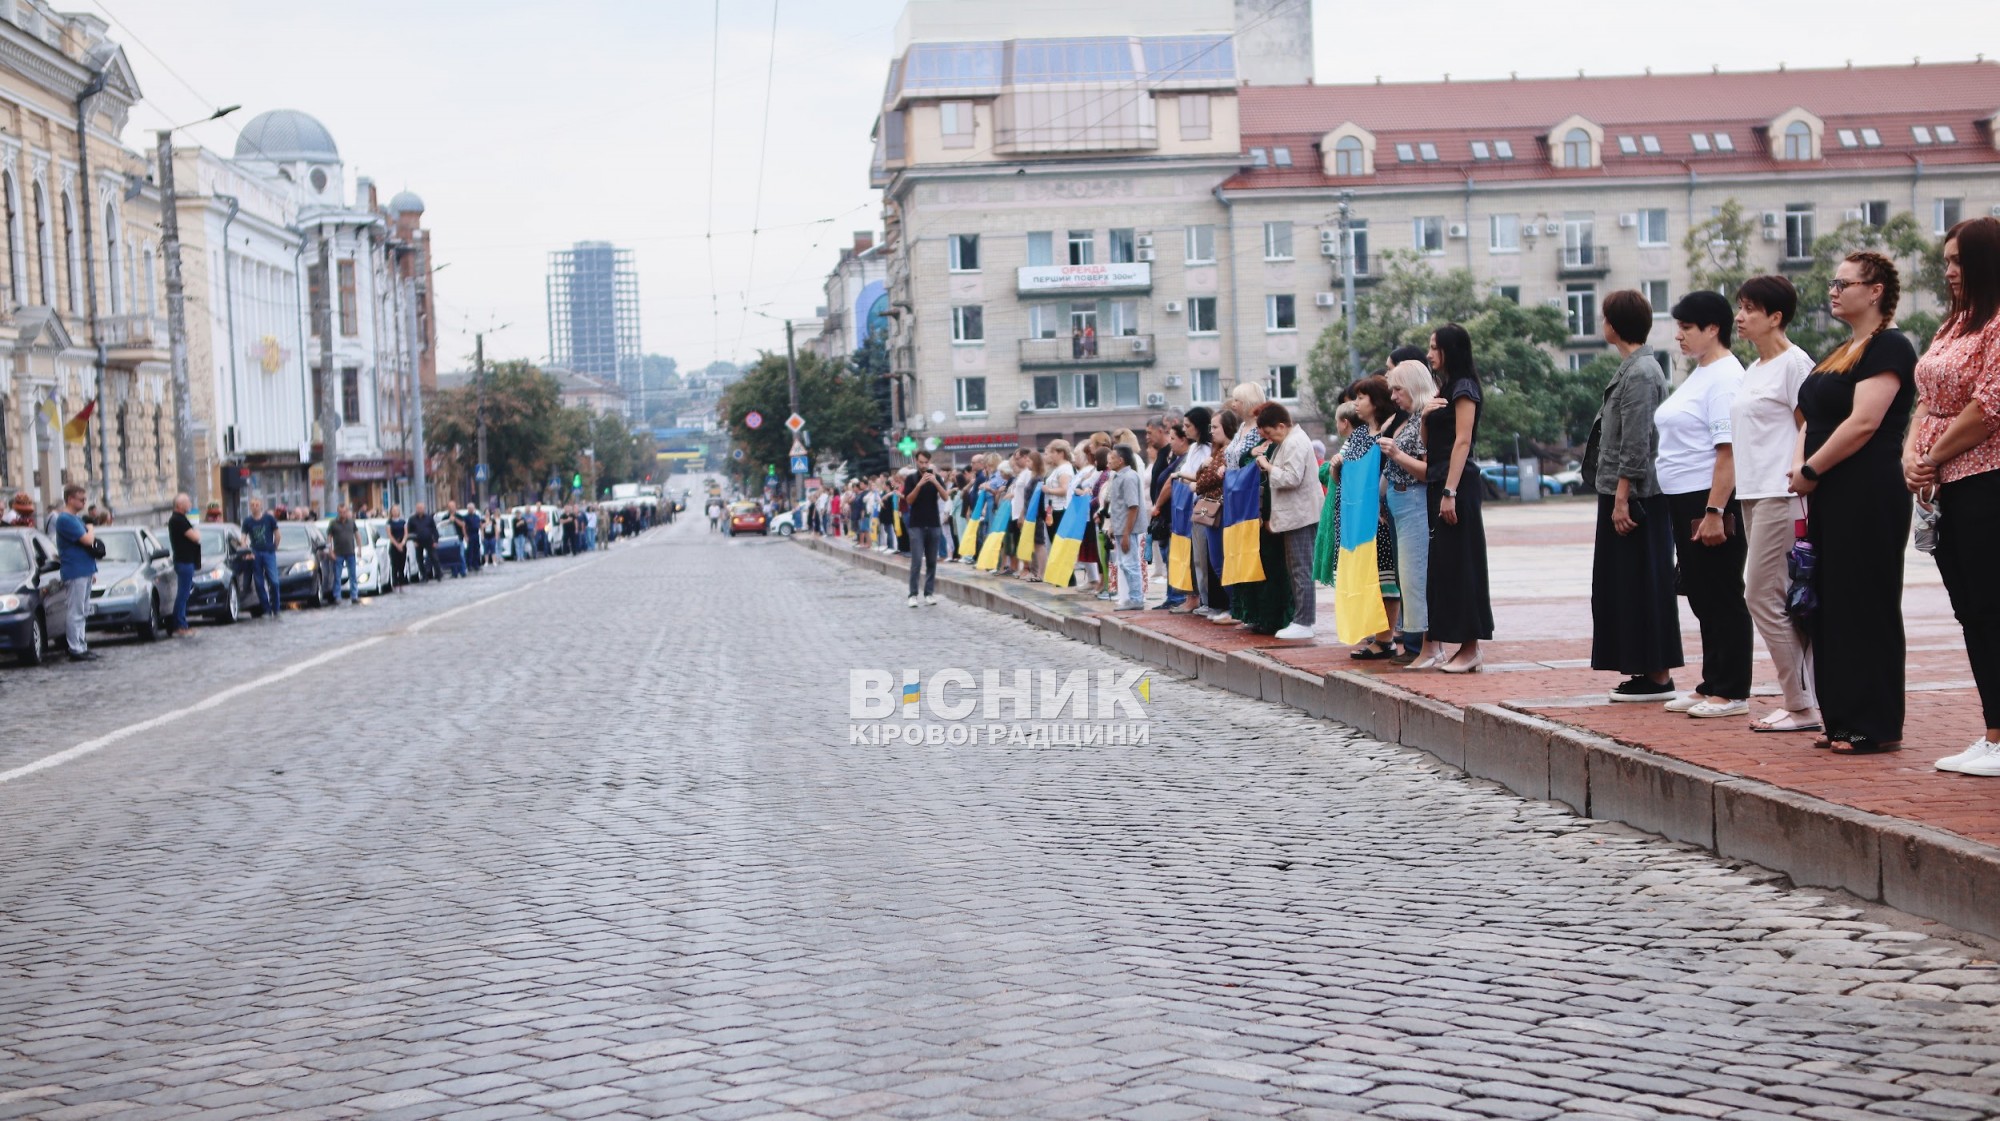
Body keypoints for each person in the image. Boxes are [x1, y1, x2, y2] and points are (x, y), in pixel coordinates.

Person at [1790, 250, 1919, 755]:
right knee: (1830, 603)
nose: (1833, 290)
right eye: (1833, 282)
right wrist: (1801, 466)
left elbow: (1864, 423)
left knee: (1866, 601)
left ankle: (1874, 723)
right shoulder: (1842, 351)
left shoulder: (1890, 347)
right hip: (1827, 490)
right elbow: (1809, 419)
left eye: (1844, 283)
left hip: (1867, 490)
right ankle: (1840, 717)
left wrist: (1811, 470)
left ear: (1875, 291)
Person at [1908, 217, 2000, 775]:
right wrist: (1911, 455)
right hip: (1944, 487)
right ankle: (1992, 732)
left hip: (1986, 480)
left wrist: (1932, 456)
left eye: (1958, 260)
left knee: (1991, 608)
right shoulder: (1955, 324)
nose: (1949, 271)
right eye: (1946, 261)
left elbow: (1989, 407)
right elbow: (1925, 397)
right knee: (1971, 612)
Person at [1654, 290, 1752, 717]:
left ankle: (1732, 690)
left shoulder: (1726, 377)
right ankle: (1712, 681)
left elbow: (1727, 451)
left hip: (1708, 498)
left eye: (1686, 327)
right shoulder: (1702, 372)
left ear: (1713, 328)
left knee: (1721, 591)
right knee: (1701, 593)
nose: (1678, 335)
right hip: (1684, 498)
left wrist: (1714, 511)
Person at [1733, 275, 1822, 733]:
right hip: (1752, 492)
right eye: (1740, 306)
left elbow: (1811, 425)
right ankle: (1808, 697)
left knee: (1760, 594)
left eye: (1750, 308)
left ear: (1775, 317)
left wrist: (1800, 472)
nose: (1740, 316)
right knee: (1778, 596)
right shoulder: (1754, 368)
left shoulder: (1795, 364)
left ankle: (1801, 704)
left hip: (1780, 492)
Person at [1589, 289, 1682, 702]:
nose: (1602, 323)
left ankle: (1658, 675)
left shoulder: (1642, 372)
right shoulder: (1633, 367)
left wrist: (1622, 497)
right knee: (1626, 585)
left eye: (1605, 316)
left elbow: (1637, 440)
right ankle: (1646, 669)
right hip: (1621, 491)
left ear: (1615, 324)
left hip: (1636, 496)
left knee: (1643, 582)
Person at [1422, 324, 1493, 672]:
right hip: (1438, 482)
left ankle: (1471, 647)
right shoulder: (1444, 388)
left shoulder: (1465, 388)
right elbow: (1428, 443)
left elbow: (1462, 441)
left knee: (1464, 564)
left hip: (1457, 485)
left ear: (1450, 350)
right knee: (1446, 567)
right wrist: (1424, 416)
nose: (1429, 354)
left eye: (1435, 347)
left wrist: (1450, 491)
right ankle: (1461, 647)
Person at [1220, 381, 1292, 634]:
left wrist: (1248, 457)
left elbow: (1257, 459)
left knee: (1266, 560)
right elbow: (1240, 458)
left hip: (1258, 499)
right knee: (1246, 556)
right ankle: (1250, 612)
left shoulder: (1262, 431)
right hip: (1238, 500)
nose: (1233, 405)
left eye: (1237, 400)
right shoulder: (1242, 427)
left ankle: (1270, 615)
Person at [1337, 378, 1402, 657]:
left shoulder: (1389, 431)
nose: (1356, 403)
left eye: (1361, 398)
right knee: (1365, 575)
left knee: (1385, 580)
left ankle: (1386, 639)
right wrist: (1336, 467)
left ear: (1376, 401)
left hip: (1379, 519)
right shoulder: (1360, 434)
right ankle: (1374, 633)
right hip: (1356, 519)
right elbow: (1343, 472)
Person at [1378, 360, 1437, 665]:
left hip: (1412, 499)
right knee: (1408, 576)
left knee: (1415, 576)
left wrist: (1396, 453)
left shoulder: (1426, 416)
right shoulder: (1413, 416)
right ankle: (1417, 644)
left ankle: (1425, 647)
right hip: (1399, 501)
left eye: (1398, 389)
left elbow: (1428, 471)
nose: (1393, 396)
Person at [1254, 402, 1321, 640]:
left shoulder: (1294, 442)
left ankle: (1304, 621)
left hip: (1301, 515)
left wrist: (1267, 465)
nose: (1269, 439)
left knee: (1301, 569)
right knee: (1297, 569)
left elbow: (1291, 478)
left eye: (1270, 433)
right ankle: (1301, 619)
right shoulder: (1290, 440)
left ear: (1281, 426)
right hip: (1296, 514)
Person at [51, 484, 99, 660]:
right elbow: (87, 540)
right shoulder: (65, 519)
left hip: (84, 569)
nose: (84, 502)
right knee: (76, 611)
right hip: (75, 570)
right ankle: (75, 648)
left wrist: (92, 571)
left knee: (83, 611)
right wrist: (91, 528)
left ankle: (81, 644)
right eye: (81, 499)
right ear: (70, 499)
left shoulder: (76, 519)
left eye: (85, 499)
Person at [1104, 444, 1146, 610]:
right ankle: (1132, 598)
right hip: (1122, 528)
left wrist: (1127, 534)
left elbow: (1133, 507)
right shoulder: (1119, 476)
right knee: (1124, 564)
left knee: (1130, 564)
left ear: (1120, 460)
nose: (1108, 461)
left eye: (1112, 458)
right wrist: (1114, 526)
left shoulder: (1128, 477)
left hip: (1128, 529)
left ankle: (1136, 599)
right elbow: (1119, 506)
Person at [903, 450, 945, 607]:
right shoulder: (911, 479)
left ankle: (929, 593)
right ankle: (913, 594)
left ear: (929, 462)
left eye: (926, 462)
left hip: (933, 523)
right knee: (916, 561)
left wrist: (935, 482)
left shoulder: (936, 477)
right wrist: (919, 485)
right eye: (921, 462)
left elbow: (946, 496)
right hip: (917, 525)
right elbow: (909, 500)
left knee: (932, 561)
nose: (923, 465)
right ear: (916, 462)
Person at [164, 492, 200, 637]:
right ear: (180, 505)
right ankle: (179, 625)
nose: (190, 504)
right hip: (184, 561)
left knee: (184, 594)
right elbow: (195, 537)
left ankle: (181, 623)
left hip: (187, 561)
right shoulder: (177, 520)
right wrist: (196, 531)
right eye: (187, 502)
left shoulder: (181, 519)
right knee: (183, 595)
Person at [242, 496, 282, 619]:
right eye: (252, 505)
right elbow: (243, 539)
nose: (255, 507)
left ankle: (276, 608)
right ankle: (266, 609)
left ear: (261, 505)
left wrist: (274, 546)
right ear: (250, 507)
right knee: (259, 583)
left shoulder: (269, 519)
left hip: (269, 552)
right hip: (255, 554)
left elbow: (277, 534)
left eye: (257, 504)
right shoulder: (247, 521)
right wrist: (246, 551)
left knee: (274, 582)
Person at [329, 503, 360, 604]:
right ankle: (337, 596)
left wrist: (359, 549)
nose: (342, 514)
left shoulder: (351, 522)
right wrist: (330, 551)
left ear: (347, 512)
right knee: (337, 576)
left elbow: (357, 535)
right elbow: (329, 538)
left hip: (350, 552)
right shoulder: (333, 523)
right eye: (341, 512)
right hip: (338, 554)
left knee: (353, 575)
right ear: (338, 512)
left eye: (344, 512)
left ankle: (354, 595)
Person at [409, 503, 440, 581]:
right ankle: (424, 576)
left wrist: (436, 540)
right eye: (418, 508)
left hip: (429, 540)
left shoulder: (429, 518)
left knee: (434, 558)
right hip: (418, 541)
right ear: (416, 509)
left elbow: (434, 530)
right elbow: (409, 531)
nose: (420, 510)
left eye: (421, 508)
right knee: (419, 559)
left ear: (424, 509)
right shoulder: (412, 519)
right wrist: (413, 541)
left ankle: (438, 574)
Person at [387, 504, 409, 585]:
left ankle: (401, 579)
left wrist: (402, 543)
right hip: (394, 545)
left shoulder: (403, 522)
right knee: (394, 564)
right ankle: (395, 581)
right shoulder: (389, 523)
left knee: (402, 563)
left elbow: (406, 533)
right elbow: (389, 535)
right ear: (391, 512)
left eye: (396, 510)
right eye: (393, 510)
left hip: (402, 544)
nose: (395, 512)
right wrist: (397, 545)